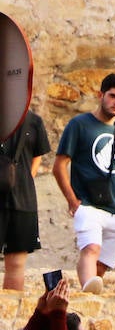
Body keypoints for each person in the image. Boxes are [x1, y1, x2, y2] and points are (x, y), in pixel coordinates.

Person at [53, 73, 115, 294]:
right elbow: (59, 165)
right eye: (112, 96)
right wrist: (72, 201)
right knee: (91, 248)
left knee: (101, 266)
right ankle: (87, 289)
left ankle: (87, 295)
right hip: (88, 204)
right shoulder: (79, 125)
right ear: (101, 95)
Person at [0, 108, 51, 290]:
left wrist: (23, 179)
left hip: (23, 201)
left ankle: (9, 316)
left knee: (16, 265)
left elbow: (37, 155)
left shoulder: (33, 121)